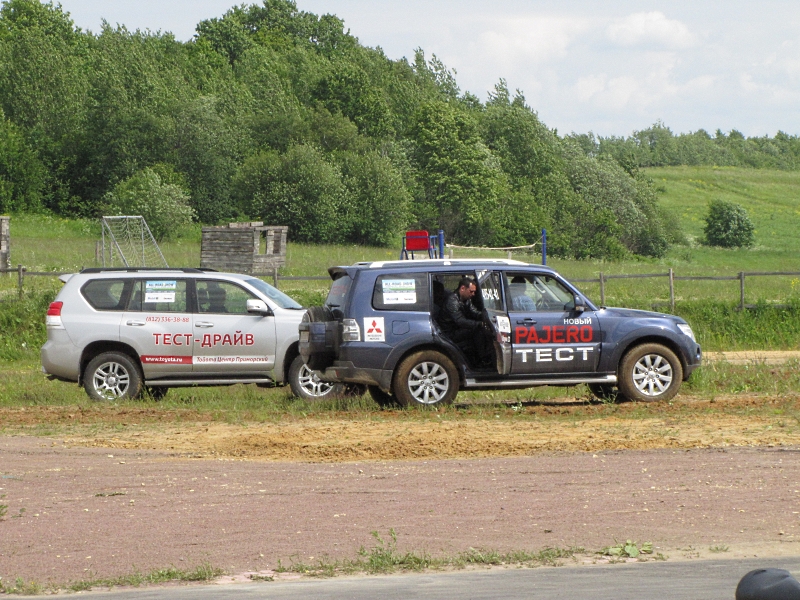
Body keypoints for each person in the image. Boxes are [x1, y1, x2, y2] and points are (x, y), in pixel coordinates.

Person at [437, 277, 493, 366]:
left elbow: (473, 312)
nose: (473, 294)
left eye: (474, 292)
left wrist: (487, 317)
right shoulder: (452, 301)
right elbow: (460, 321)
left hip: (457, 329)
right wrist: (480, 324)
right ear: (462, 288)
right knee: (478, 330)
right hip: (449, 333)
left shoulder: (466, 299)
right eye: (471, 291)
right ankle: (484, 359)